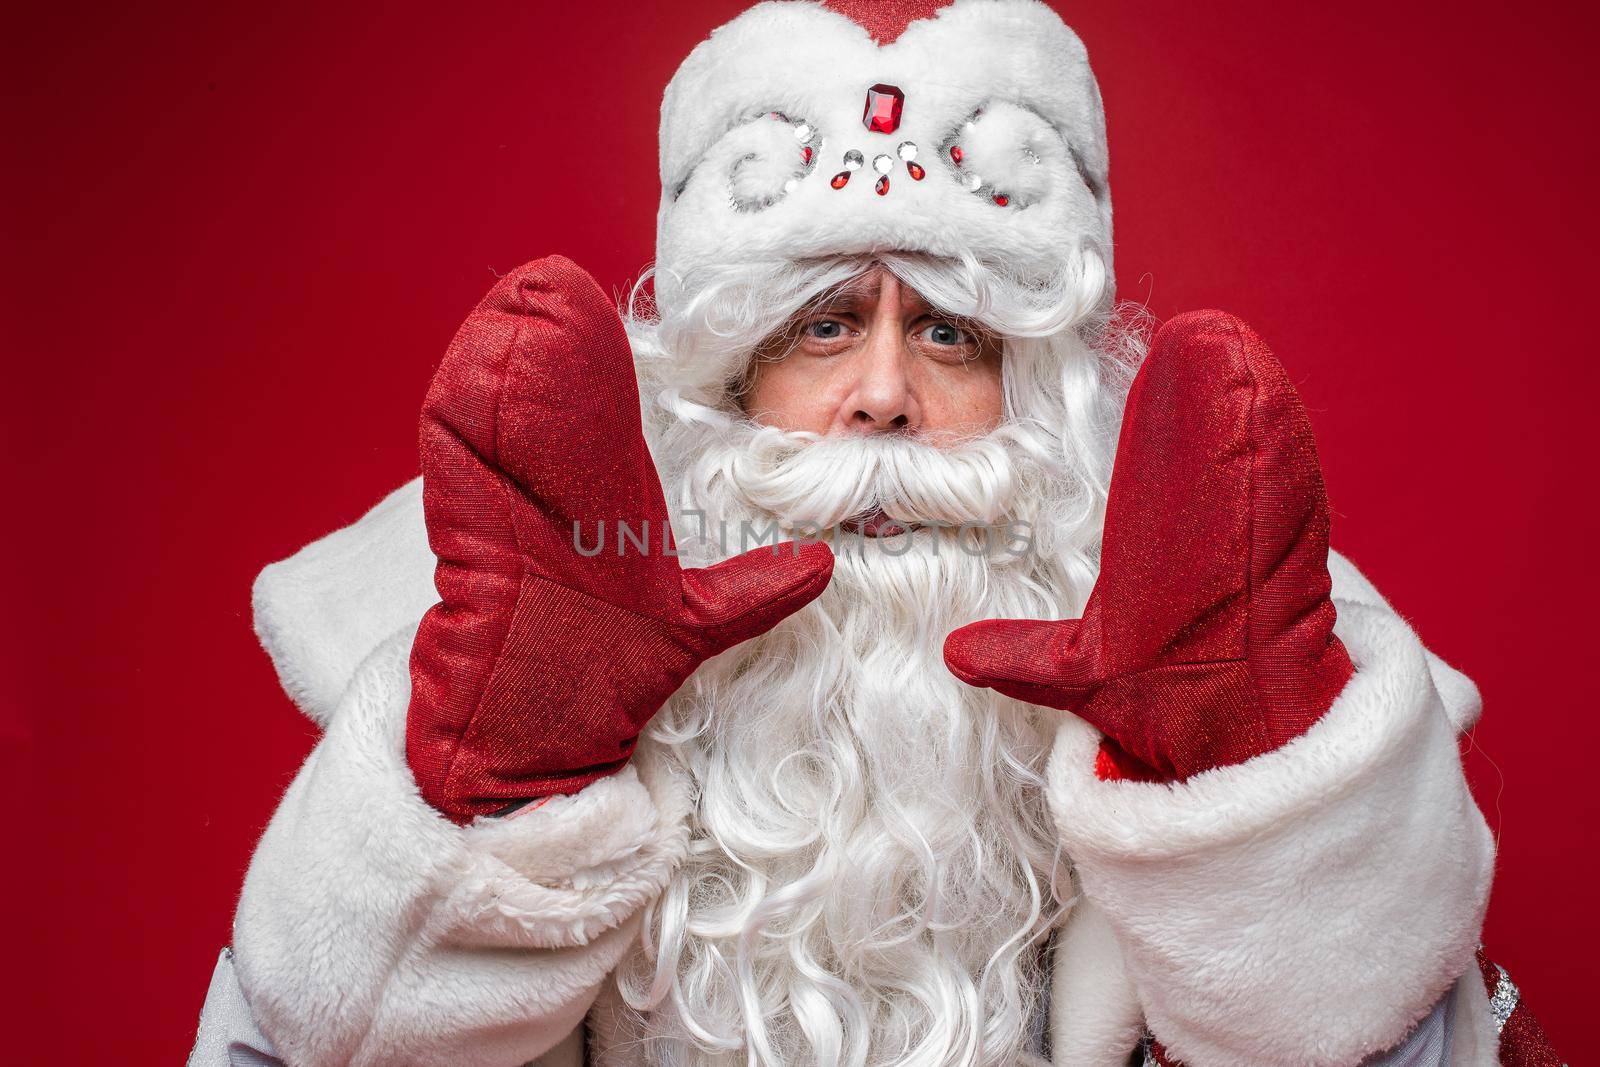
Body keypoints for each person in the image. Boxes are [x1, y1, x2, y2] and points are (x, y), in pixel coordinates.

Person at [188, 2, 1563, 1064]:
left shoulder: (1249, 656)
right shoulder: (474, 662)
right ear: (720, 384)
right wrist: (494, 796)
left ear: (1046, 393)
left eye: (952, 334)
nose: (886, 399)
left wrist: (1250, 811)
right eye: (825, 327)